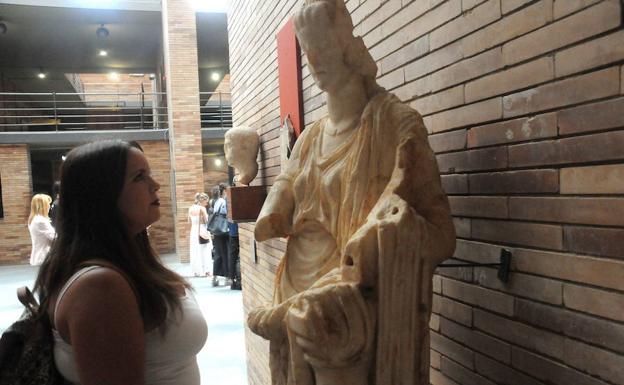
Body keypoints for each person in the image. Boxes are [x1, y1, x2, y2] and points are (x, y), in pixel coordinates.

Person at [247, 1, 455, 384]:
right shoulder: (309, 139)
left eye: (322, 47)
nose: (313, 60)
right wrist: (275, 209)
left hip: (353, 308)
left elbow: (441, 234)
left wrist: (387, 235)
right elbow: (285, 192)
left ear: (349, 47)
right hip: (295, 285)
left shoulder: (396, 125)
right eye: (308, 51)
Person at [33, 140, 207, 385]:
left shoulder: (130, 264)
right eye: (139, 177)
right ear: (102, 196)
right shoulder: (100, 286)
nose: (155, 185)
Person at [188, 192, 213, 277]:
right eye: (206, 202)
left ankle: (196, 270)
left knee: (195, 250)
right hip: (202, 230)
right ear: (202, 201)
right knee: (205, 251)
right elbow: (206, 221)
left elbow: (189, 221)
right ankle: (206, 270)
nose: (206, 204)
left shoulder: (190, 208)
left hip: (193, 231)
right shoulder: (202, 209)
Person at [209, 184, 230, 286]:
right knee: (225, 254)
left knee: (217, 254)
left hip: (216, 231)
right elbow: (225, 212)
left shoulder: (214, 201)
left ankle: (215, 278)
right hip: (223, 230)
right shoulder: (222, 201)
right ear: (223, 191)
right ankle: (227, 278)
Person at [28, 193, 56, 265]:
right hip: (44, 257)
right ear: (43, 206)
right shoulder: (41, 221)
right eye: (48, 204)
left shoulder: (34, 219)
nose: (49, 206)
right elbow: (54, 238)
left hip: (40, 256)